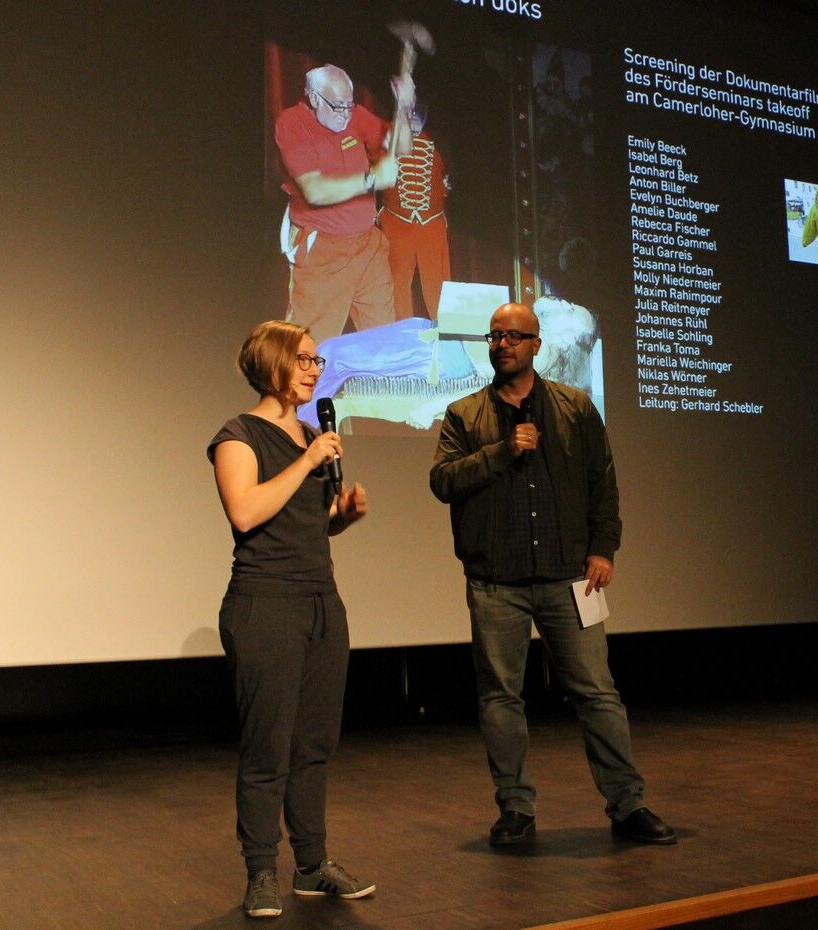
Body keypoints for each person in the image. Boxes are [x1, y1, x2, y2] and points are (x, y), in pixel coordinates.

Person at [429, 302, 676, 847]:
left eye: (514, 336)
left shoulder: (575, 407)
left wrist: (603, 548)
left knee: (597, 693)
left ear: (536, 345)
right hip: (497, 582)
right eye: (495, 336)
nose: (503, 344)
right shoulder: (464, 414)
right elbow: (442, 481)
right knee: (500, 699)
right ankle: (516, 809)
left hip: (570, 579)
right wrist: (502, 451)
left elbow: (602, 484)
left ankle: (628, 804)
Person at [208, 320, 374, 918]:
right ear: (272, 364)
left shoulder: (310, 435)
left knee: (314, 744)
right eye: (303, 359)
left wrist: (342, 515)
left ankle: (312, 864)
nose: (313, 370)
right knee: (268, 747)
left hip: (320, 601)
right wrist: (307, 461)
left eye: (315, 361)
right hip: (265, 603)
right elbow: (246, 512)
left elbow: (305, 522)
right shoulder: (238, 436)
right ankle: (260, 871)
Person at [275, 64, 415, 345]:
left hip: (367, 246)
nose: (345, 115)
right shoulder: (291, 124)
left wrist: (404, 108)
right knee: (309, 346)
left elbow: (403, 146)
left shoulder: (355, 115)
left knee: (382, 340)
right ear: (314, 98)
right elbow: (314, 191)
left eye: (349, 106)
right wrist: (371, 179)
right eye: (338, 107)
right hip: (323, 251)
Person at [379, 101, 451, 321]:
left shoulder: (439, 144)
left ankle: (445, 329)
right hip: (397, 222)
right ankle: (400, 330)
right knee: (397, 280)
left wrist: (444, 191)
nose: (412, 119)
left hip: (431, 222)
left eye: (416, 115)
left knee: (437, 281)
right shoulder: (387, 141)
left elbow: (448, 177)